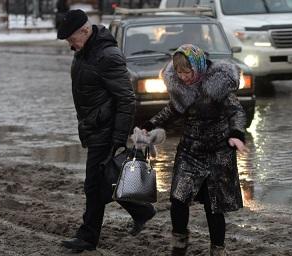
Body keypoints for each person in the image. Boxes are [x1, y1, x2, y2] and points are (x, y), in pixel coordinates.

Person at [57, 9, 156, 253]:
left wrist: (118, 139)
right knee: (105, 182)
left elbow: (126, 99)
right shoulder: (84, 52)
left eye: (72, 38)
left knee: (94, 184)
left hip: (106, 130)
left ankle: (88, 237)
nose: (70, 44)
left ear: (85, 30)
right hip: (94, 127)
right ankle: (142, 210)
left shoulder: (107, 55)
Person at [141, 44, 248, 256]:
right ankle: (179, 245)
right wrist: (149, 125)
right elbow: (172, 110)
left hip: (219, 152)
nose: (183, 77)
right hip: (190, 150)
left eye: (187, 72)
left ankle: (218, 249)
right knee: (178, 199)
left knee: (214, 205)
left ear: (197, 66)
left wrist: (236, 134)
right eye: (179, 73)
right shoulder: (180, 88)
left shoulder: (218, 85)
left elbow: (236, 112)